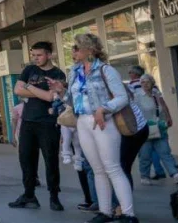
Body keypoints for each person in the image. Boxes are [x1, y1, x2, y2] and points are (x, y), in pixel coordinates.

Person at [66, 33, 137, 223]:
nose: (73, 51)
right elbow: (72, 99)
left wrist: (104, 108)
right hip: (83, 121)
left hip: (104, 121)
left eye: (76, 47)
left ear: (88, 49)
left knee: (112, 167)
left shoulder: (106, 70)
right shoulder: (74, 71)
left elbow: (122, 97)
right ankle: (105, 211)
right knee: (97, 169)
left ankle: (128, 214)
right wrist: (59, 91)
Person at [10, 41, 66, 211]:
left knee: (51, 160)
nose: (35, 58)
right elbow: (17, 90)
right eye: (33, 55)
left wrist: (28, 86)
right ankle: (29, 195)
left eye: (39, 55)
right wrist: (36, 90)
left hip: (48, 123)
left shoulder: (58, 74)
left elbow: (52, 97)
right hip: (28, 122)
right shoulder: (29, 70)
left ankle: (54, 196)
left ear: (49, 55)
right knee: (26, 159)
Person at [136, 73, 177, 183]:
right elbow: (134, 113)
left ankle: (175, 174)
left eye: (147, 81)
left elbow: (163, 106)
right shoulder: (138, 96)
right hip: (145, 129)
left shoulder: (156, 93)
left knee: (165, 152)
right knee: (145, 155)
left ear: (152, 83)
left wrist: (168, 117)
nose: (145, 84)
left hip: (159, 127)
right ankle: (144, 176)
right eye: (142, 82)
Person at [120, 66, 150, 188]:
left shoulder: (120, 91)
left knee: (123, 166)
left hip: (134, 130)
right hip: (139, 128)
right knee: (124, 165)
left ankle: (125, 202)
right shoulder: (125, 87)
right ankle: (125, 200)